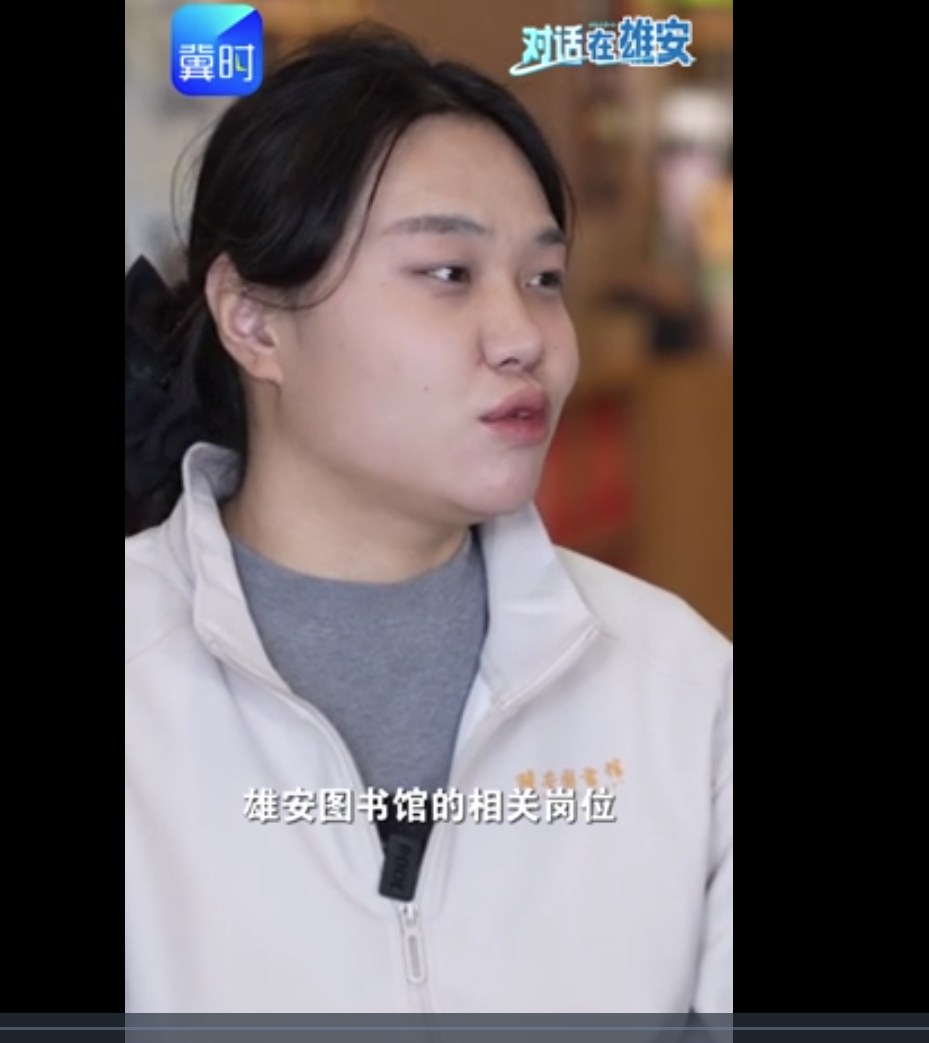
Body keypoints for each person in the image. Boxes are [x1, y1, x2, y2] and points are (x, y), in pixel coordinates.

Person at [125, 23, 733, 1016]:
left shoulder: (684, 689)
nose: (524, 337)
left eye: (543, 279)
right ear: (253, 319)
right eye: (447, 272)